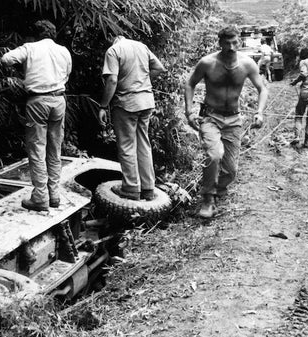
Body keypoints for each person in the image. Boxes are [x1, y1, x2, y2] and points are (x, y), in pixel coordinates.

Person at [184, 26, 268, 219]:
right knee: (214, 155)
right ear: (220, 42)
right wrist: (189, 112)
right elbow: (190, 83)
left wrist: (260, 112)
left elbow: (262, 89)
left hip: (233, 119)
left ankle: (217, 188)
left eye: (235, 42)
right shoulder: (207, 63)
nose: (231, 47)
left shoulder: (247, 64)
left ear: (240, 41)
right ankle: (208, 199)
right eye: (227, 43)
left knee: (231, 171)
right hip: (210, 116)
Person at [1, 20, 72, 211]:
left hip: (37, 101)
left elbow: (6, 59)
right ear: (53, 34)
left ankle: (40, 197)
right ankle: (54, 195)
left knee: (37, 149)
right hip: (58, 100)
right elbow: (67, 74)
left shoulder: (30, 48)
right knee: (54, 149)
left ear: (36, 35)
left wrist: (23, 71)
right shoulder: (63, 51)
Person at [98, 35, 166, 201]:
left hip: (126, 103)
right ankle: (148, 188)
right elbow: (159, 67)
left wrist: (103, 106)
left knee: (127, 145)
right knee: (143, 143)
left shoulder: (113, 50)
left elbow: (112, 80)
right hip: (146, 102)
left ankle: (131, 189)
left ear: (114, 41)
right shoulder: (141, 46)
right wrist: (142, 82)